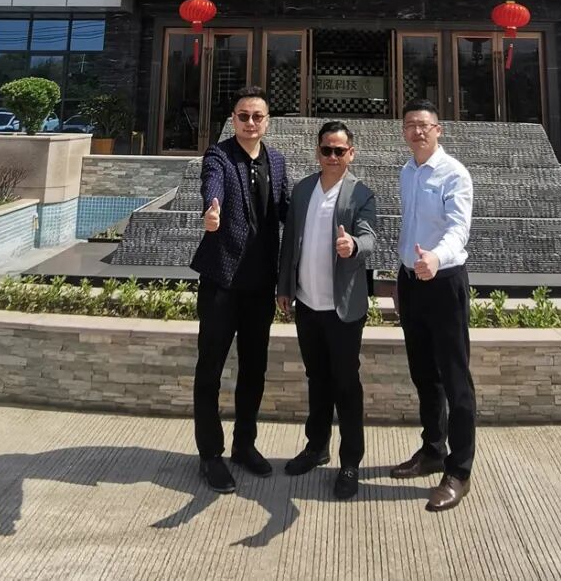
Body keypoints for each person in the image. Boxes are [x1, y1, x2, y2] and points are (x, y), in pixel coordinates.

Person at [190, 85, 289, 494]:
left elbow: (286, 210)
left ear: (267, 122)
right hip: (222, 282)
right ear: (233, 119)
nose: (250, 122)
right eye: (243, 116)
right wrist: (211, 208)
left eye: (257, 116)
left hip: (260, 286)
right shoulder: (219, 155)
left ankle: (244, 445)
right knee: (210, 369)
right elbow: (212, 184)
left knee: (253, 369)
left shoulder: (276, 162)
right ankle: (210, 454)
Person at [277, 121, 377, 500]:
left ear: (351, 153)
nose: (332, 157)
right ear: (317, 152)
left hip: (342, 309)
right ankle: (316, 446)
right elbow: (290, 243)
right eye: (326, 150)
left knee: (346, 385)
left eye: (339, 150)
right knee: (317, 379)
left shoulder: (361, 193)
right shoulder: (303, 190)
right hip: (307, 304)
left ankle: (350, 461)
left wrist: (353, 245)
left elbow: (369, 236)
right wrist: (284, 287)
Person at [390, 98, 476, 513]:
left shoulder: (454, 173)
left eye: (424, 124)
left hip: (443, 283)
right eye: (411, 124)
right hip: (412, 283)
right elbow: (410, 229)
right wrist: (403, 272)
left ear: (438, 130)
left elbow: (458, 229)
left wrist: (435, 259)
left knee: (456, 380)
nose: (417, 131)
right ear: (404, 131)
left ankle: (459, 471)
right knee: (424, 375)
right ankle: (432, 451)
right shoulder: (407, 172)